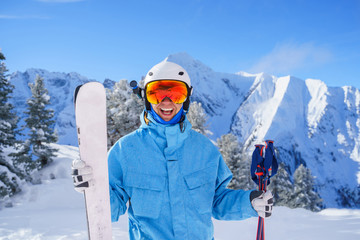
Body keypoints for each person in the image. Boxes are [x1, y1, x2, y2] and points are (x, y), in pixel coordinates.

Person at [72, 60, 273, 240]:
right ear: (146, 97)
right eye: (157, 93)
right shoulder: (126, 150)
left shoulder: (205, 150)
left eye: (176, 93)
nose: (166, 102)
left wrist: (249, 202)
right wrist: (93, 188)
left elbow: (218, 200)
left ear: (186, 99)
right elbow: (111, 204)